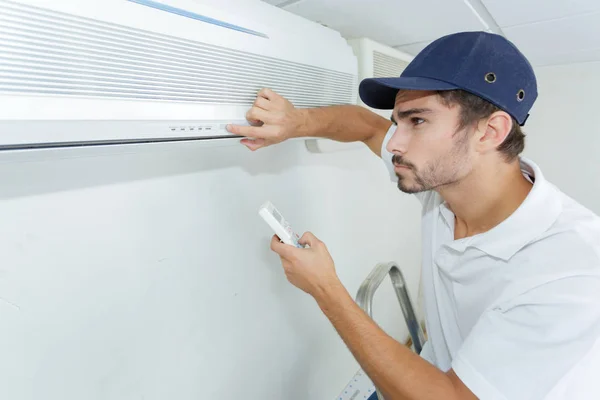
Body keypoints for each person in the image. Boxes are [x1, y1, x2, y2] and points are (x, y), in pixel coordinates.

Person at [228, 31, 600, 399]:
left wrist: (326, 290)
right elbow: (367, 126)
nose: (393, 143)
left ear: (490, 131)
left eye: (417, 121)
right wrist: (297, 123)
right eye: (398, 122)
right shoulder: (444, 188)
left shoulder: (570, 270)